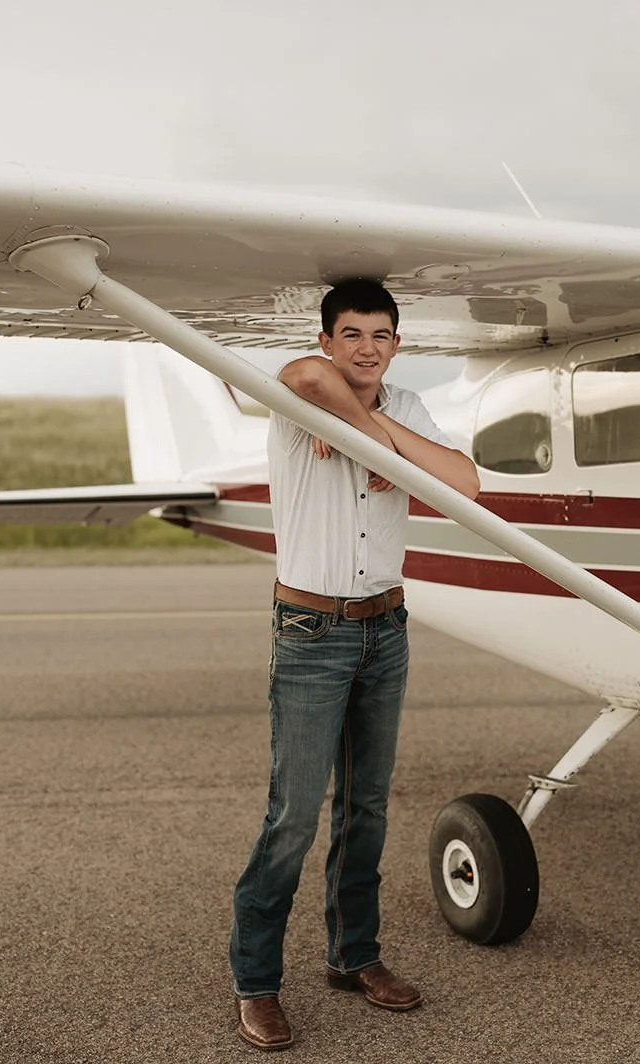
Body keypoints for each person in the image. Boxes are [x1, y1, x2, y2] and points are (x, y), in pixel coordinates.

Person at [230, 278, 480, 1051]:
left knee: (366, 807)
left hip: (385, 628)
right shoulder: (302, 397)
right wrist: (369, 435)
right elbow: (305, 378)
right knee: (294, 815)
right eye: (351, 334)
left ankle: (353, 956)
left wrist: (377, 436)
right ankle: (257, 983)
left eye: (380, 335)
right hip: (312, 630)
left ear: (397, 345)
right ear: (328, 339)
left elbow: (465, 482)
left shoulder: (404, 407)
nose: (366, 349)